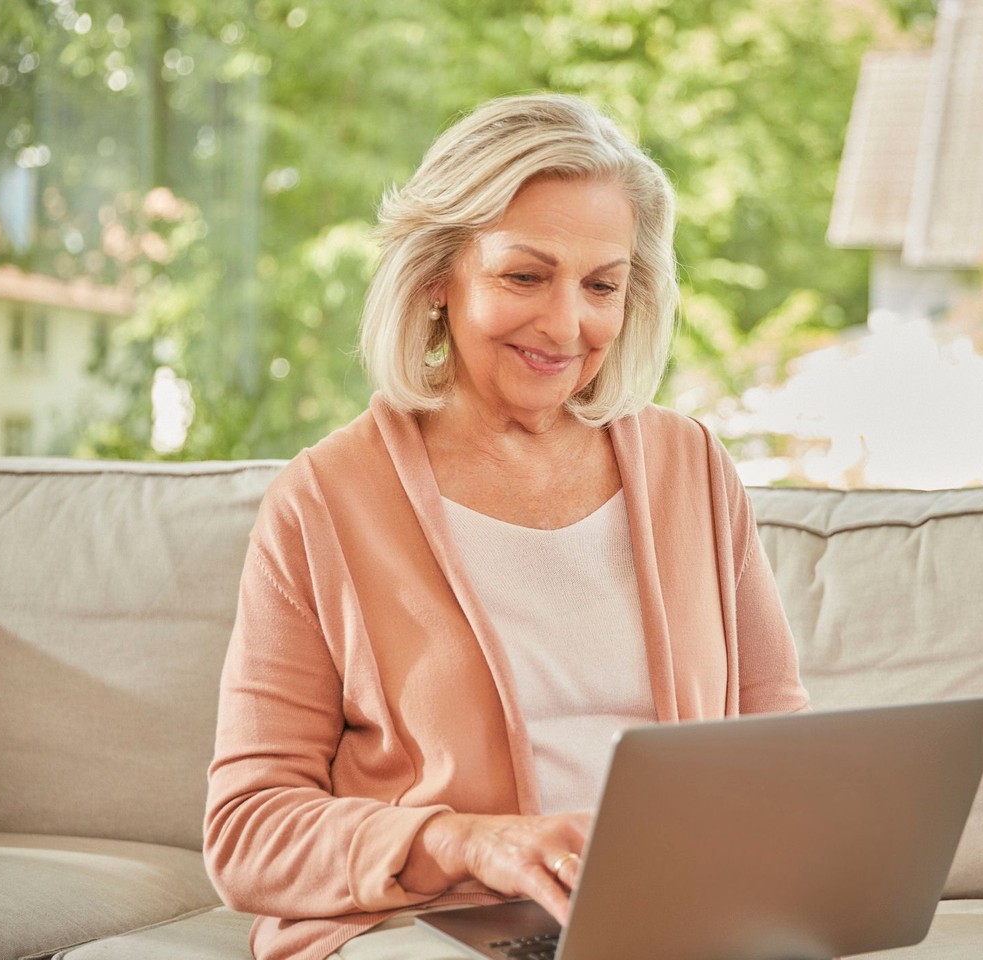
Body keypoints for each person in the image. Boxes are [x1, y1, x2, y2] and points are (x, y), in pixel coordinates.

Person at [202, 94, 810, 960]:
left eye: (602, 286)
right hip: (432, 925)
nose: (566, 325)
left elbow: (779, 745)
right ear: (437, 277)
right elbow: (247, 831)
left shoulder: (692, 467)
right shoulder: (325, 499)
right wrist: (468, 842)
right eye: (524, 277)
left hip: (662, 917)